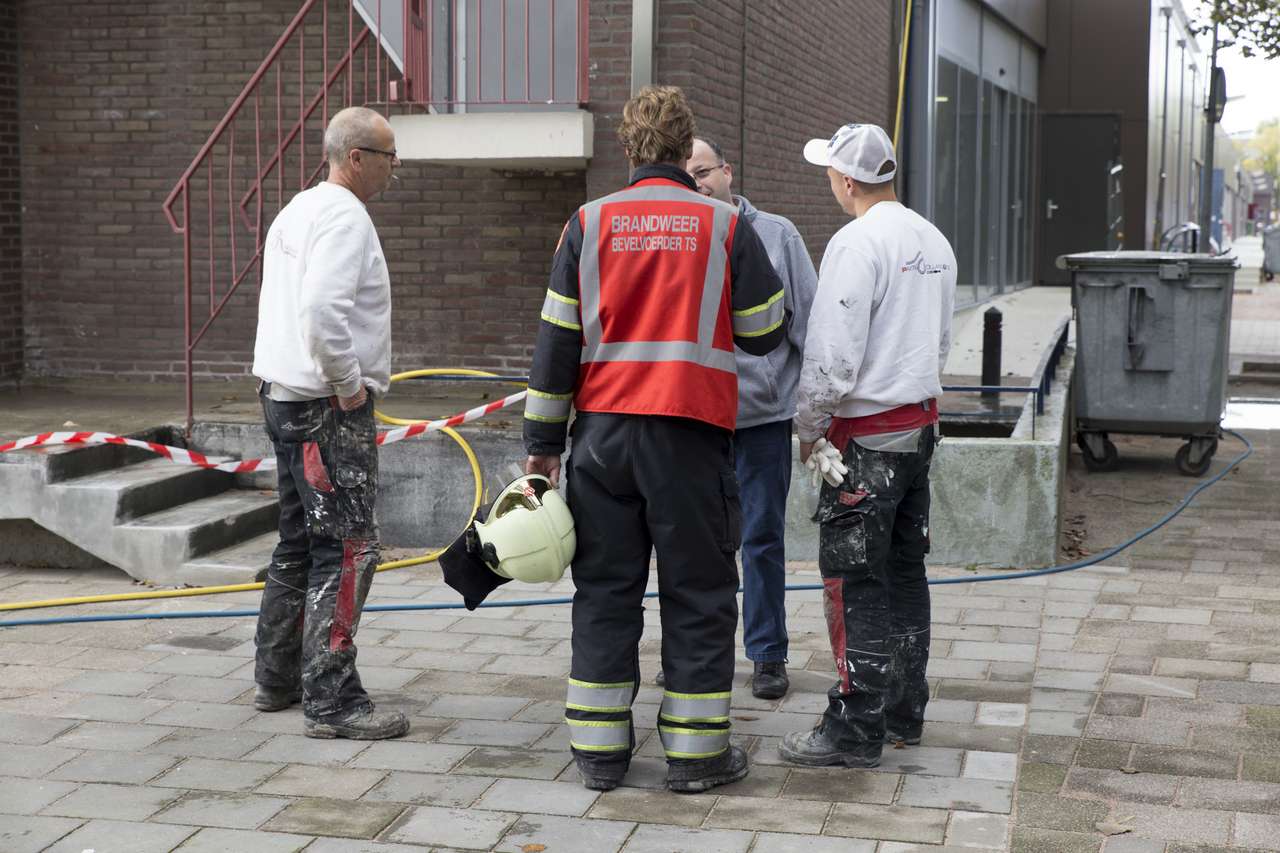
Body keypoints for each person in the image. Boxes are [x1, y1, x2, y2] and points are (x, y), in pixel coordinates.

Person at [523, 85, 787, 793]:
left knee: (605, 590)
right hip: (690, 439)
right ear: (683, 147)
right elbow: (765, 331)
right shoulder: (725, 223)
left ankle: (600, 756)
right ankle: (698, 758)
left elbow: (555, 345)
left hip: (603, 442)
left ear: (629, 147)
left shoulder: (587, 222)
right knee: (699, 591)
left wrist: (543, 443)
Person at [780, 123, 956, 768]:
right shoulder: (930, 239)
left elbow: (830, 355)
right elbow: (937, 343)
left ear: (847, 179)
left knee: (852, 581)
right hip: (918, 432)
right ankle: (905, 711)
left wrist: (808, 429)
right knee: (905, 574)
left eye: (830, 172)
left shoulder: (856, 244)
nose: (830, 181)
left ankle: (855, 728)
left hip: (867, 442)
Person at [249, 106, 408, 741]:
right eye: (390, 155)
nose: (396, 169)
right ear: (356, 159)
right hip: (323, 408)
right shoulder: (346, 218)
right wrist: (346, 384)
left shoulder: (299, 209)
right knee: (346, 548)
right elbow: (319, 310)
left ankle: (278, 676)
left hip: (282, 397)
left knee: (297, 539)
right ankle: (333, 699)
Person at [681, 136, 817, 700]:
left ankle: (767, 656)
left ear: (729, 172)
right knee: (695, 543)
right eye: (686, 176)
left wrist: (814, 417)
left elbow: (809, 326)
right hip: (696, 420)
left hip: (761, 419)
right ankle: (694, 655)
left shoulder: (777, 235)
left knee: (761, 538)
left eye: (705, 171)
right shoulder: (681, 234)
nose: (698, 184)